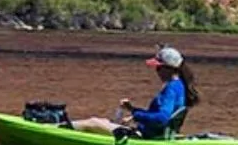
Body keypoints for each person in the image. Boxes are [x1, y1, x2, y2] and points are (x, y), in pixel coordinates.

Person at [70, 46, 201, 138]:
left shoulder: (171, 88)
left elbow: (162, 118)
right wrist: (132, 110)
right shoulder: (179, 86)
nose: (156, 71)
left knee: (93, 123)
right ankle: (63, 126)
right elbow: (158, 116)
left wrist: (136, 115)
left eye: (158, 68)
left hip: (145, 137)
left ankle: (59, 128)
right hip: (153, 133)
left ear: (169, 68)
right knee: (102, 120)